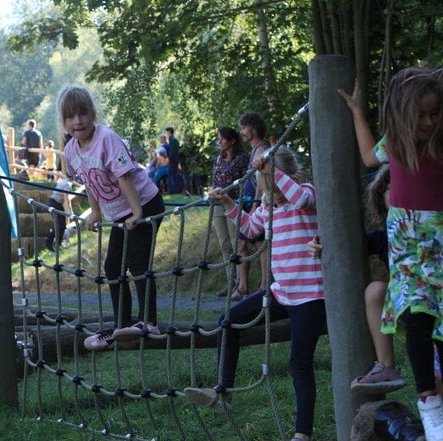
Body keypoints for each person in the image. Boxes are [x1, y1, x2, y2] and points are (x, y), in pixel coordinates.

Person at [187, 146, 324, 441]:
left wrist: (271, 174)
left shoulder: (308, 193)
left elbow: (299, 197)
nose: (271, 193)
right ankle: (223, 393)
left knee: (299, 362)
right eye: (266, 189)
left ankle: (303, 434)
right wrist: (227, 202)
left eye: (272, 186)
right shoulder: (269, 207)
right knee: (228, 321)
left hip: (310, 296)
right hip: (281, 292)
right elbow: (250, 231)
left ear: (285, 177)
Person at [338, 67, 443, 440]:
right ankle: (430, 409)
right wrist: (355, 111)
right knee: (416, 319)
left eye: (435, 112)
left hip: (439, 241)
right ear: (401, 114)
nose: (429, 121)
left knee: (440, 329)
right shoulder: (395, 144)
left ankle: (439, 402)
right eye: (421, 114)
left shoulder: (439, 142)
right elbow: (369, 157)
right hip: (406, 241)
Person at [55, 84, 165, 351]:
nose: (78, 121)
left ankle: (149, 322)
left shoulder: (106, 138)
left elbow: (124, 177)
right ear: (64, 121)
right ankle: (122, 325)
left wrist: (137, 211)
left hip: (144, 204)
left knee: (137, 262)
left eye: (83, 114)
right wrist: (95, 210)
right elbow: (90, 181)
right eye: (70, 116)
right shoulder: (71, 150)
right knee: (113, 267)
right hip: (119, 213)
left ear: (93, 114)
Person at [308, 166, 405, 393]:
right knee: (375, 290)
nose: (397, 193)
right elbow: (342, 242)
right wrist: (318, 243)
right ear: (380, 198)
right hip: (403, 294)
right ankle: (386, 366)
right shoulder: (384, 236)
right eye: (390, 189)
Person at [232, 111, 271, 300]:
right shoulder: (255, 150)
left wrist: (257, 205)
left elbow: (262, 179)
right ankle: (243, 286)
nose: (241, 132)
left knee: (259, 242)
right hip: (249, 203)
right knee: (242, 243)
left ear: (253, 128)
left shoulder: (262, 149)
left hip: (256, 204)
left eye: (243, 127)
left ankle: (265, 284)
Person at [211, 127, 250, 298]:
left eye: (222, 138)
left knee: (237, 244)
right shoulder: (218, 159)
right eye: (218, 138)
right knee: (225, 244)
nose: (219, 141)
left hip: (234, 204)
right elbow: (215, 180)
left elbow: (247, 183)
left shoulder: (242, 159)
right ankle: (231, 282)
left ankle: (242, 284)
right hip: (218, 205)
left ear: (232, 141)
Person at [44, 175, 73, 252]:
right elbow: (66, 198)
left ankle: (57, 243)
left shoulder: (62, 181)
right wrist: (69, 211)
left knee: (61, 225)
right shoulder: (67, 184)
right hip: (56, 204)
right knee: (60, 226)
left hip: (54, 202)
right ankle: (50, 243)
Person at [165, 127, 182, 194]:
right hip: (174, 160)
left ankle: (172, 190)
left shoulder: (173, 140)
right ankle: (175, 190)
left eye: (167, 132)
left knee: (171, 175)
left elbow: (173, 151)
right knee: (174, 175)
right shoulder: (172, 140)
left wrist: (169, 158)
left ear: (169, 132)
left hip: (173, 161)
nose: (166, 133)